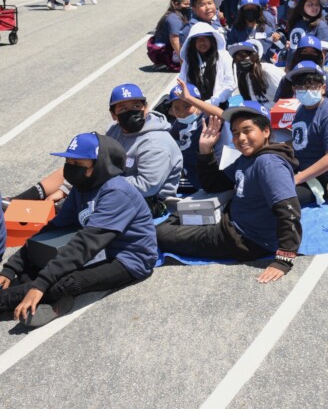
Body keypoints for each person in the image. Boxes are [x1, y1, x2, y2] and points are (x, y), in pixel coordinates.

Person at [0, 132, 157, 327]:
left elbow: (85, 244)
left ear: (97, 166)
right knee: (36, 262)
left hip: (128, 259)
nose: (70, 169)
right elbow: (54, 227)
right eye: (69, 162)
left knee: (65, 282)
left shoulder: (116, 193)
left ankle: (26, 300)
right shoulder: (82, 186)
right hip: (99, 250)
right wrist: (11, 267)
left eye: (78, 164)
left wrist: (40, 284)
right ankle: (53, 300)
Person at [155, 102, 302, 283]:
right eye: (235, 133)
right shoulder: (248, 158)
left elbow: (289, 210)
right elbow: (215, 184)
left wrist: (284, 259)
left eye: (248, 130)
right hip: (229, 219)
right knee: (178, 216)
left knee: (159, 234)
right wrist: (205, 150)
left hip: (243, 239)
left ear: (266, 131)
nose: (241, 138)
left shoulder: (268, 164)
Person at [105, 84, 184, 216]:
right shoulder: (114, 131)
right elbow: (100, 159)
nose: (131, 112)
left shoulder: (156, 143)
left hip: (149, 202)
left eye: (136, 106)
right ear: (114, 115)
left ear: (146, 108)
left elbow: (147, 186)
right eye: (123, 109)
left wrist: (104, 182)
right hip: (117, 191)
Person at [287, 62, 328, 205]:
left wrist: (298, 178)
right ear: (294, 89)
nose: (306, 91)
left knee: (282, 197)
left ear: (323, 88)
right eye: (301, 87)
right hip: (301, 170)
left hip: (322, 178)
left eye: (312, 86)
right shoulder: (302, 108)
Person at [273, 35, 328, 108]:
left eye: (313, 52)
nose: (309, 55)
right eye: (304, 51)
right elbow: (278, 106)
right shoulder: (288, 78)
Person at [178, 23, 237, 106]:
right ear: (193, 43)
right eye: (198, 40)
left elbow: (231, 84)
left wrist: (212, 102)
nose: (202, 43)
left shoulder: (224, 56)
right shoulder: (189, 61)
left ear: (212, 40)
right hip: (196, 104)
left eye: (205, 39)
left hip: (221, 104)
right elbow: (182, 82)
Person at [229, 41, 282, 106]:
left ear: (253, 56)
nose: (240, 62)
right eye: (237, 60)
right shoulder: (246, 78)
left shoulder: (268, 71)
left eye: (243, 57)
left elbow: (287, 94)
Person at [148, 0, 190, 71]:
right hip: (162, 52)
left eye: (189, 4)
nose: (188, 6)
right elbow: (174, 40)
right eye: (185, 4)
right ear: (176, 4)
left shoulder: (177, 14)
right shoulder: (174, 18)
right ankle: (165, 62)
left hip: (164, 48)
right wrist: (183, 59)